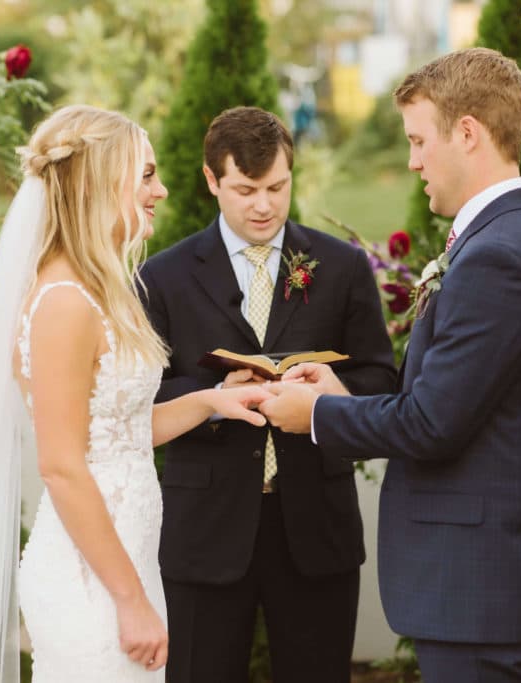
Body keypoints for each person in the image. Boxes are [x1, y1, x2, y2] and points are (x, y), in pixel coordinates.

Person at [260, 48, 521, 682]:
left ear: (467, 133)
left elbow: (433, 425)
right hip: (478, 588)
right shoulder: (502, 241)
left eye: (418, 140)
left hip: (479, 589)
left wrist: (316, 415)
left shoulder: (499, 258)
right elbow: (451, 401)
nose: (411, 162)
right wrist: (342, 394)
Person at [0, 105, 272, 683]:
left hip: (126, 566)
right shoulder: (64, 302)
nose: (161, 190)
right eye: (145, 175)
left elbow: (112, 433)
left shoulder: (96, 288)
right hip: (91, 583)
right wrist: (130, 601)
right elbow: (63, 465)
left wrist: (211, 400)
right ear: (97, 181)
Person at [139, 106, 396, 683]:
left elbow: (382, 380)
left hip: (315, 528)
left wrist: (334, 391)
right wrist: (214, 391)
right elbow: (141, 397)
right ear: (211, 181)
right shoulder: (163, 277)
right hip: (205, 530)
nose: (264, 205)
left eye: (277, 187)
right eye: (246, 189)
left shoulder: (343, 267)